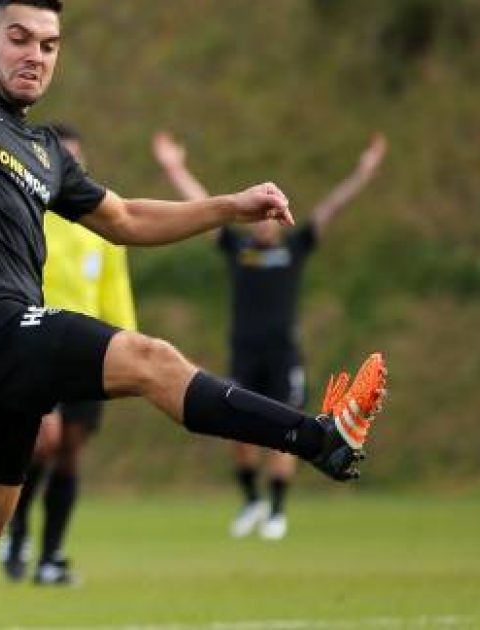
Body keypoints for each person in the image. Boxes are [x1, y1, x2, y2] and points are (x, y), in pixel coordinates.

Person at [0, 0, 388, 625]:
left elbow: (125, 218)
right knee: (150, 358)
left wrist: (228, 207)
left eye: (48, 45)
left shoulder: (45, 148)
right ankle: (320, 440)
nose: (34, 54)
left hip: (4, 340)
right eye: (19, 38)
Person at [153, 130, 388, 540]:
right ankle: (251, 501)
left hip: (283, 354)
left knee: (290, 427)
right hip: (244, 352)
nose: (264, 221)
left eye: (271, 214)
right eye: (259, 214)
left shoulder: (295, 247)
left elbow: (332, 207)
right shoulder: (236, 247)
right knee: (239, 431)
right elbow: (202, 204)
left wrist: (363, 174)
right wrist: (176, 169)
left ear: (281, 217)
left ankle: (277, 511)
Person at [0, 123, 138, 586]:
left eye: (77, 161)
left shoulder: (98, 223)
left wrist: (128, 346)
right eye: (64, 160)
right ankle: (16, 530)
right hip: (36, 342)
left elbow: (114, 291)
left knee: (71, 452)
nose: (71, 168)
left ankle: (51, 557)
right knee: (45, 440)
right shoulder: (27, 214)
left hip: (89, 347)